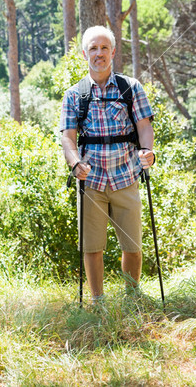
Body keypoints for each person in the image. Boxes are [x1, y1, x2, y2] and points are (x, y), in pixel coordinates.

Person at [60, 25, 155, 303]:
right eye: (93, 48)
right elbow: (68, 138)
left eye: (104, 48)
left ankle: (131, 298)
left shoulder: (131, 88)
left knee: (133, 246)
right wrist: (75, 163)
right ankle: (98, 303)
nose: (98, 53)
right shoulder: (74, 95)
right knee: (92, 247)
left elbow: (144, 126)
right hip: (92, 182)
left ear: (113, 51)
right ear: (84, 53)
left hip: (126, 175)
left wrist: (147, 151)